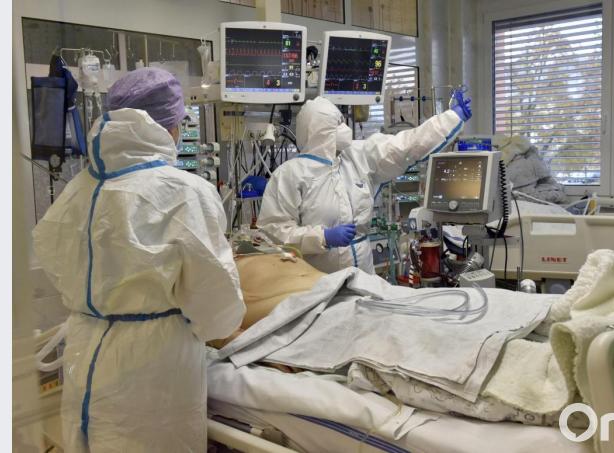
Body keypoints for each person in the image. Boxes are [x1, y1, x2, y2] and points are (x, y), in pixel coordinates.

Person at [32, 67, 246, 452]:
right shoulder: (185, 192)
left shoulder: (76, 190)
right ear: (170, 128)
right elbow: (218, 308)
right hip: (153, 375)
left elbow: (50, 254)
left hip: (86, 355)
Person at [258, 90, 472, 274]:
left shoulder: (356, 156)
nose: (345, 128)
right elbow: (275, 232)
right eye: (338, 123)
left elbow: (404, 146)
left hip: (364, 274)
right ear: (321, 131)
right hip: (319, 280)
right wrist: (322, 237)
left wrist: (450, 118)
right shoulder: (289, 175)